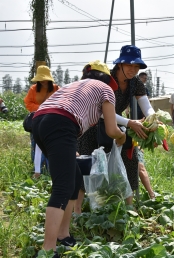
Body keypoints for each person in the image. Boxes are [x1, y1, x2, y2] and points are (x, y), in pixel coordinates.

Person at [31, 61, 126, 255]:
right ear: (108, 80)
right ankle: (49, 249)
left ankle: (63, 234)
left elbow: (62, 112)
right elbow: (111, 129)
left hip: (39, 121)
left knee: (74, 177)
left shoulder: (73, 86)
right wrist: (122, 136)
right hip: (61, 124)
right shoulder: (106, 89)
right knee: (63, 186)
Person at [75, 45, 155, 214]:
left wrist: (153, 119)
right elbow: (101, 111)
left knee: (130, 160)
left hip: (117, 125)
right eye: (129, 66)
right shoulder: (107, 79)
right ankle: (77, 213)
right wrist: (129, 122)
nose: (133, 70)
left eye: (136, 67)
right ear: (120, 65)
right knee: (87, 164)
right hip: (94, 124)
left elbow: (146, 107)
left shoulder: (135, 83)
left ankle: (128, 208)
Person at [24, 65, 59, 179]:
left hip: (52, 120)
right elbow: (28, 103)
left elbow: (61, 102)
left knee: (51, 144)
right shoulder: (33, 89)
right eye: (41, 79)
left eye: (45, 79)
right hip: (37, 120)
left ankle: (50, 169)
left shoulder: (56, 88)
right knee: (36, 144)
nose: (43, 81)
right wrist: (42, 107)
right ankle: (38, 169)